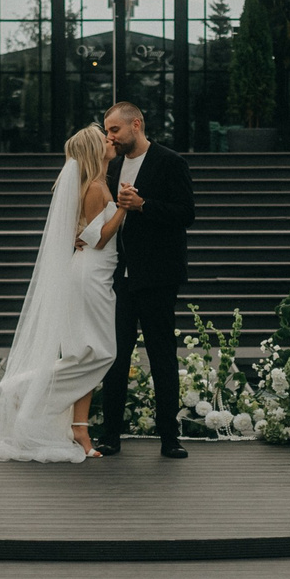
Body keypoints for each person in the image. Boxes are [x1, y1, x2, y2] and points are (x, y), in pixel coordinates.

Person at [0, 124, 124, 463]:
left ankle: (76, 425)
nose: (110, 140)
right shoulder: (97, 188)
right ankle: (21, 389)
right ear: (94, 150)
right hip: (91, 275)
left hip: (95, 273)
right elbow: (98, 237)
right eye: (104, 138)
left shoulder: (97, 184)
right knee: (102, 353)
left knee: (83, 354)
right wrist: (126, 208)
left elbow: (85, 234)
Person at [95, 101, 196, 459]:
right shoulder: (113, 166)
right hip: (119, 277)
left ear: (135, 125)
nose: (110, 136)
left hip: (157, 276)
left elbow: (187, 213)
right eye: (108, 130)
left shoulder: (170, 161)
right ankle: (110, 436)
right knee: (116, 358)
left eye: (114, 130)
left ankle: (170, 437)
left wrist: (143, 205)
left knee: (162, 356)